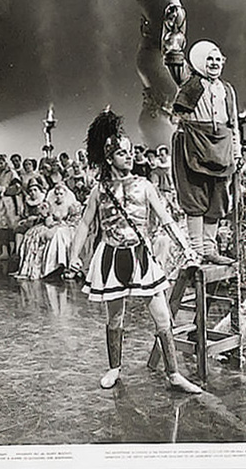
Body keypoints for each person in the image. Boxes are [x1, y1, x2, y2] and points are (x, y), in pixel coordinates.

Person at [67, 108, 202, 394]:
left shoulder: (145, 186)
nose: (129, 157)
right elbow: (85, 224)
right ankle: (114, 368)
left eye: (130, 152)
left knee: (163, 318)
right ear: (109, 158)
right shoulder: (99, 190)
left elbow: (166, 220)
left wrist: (187, 248)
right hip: (111, 256)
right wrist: (73, 255)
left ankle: (174, 374)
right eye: (122, 153)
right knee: (114, 318)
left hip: (141, 256)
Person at [171, 40, 241, 265]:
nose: (214, 63)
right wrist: (174, 41)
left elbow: (233, 123)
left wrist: (236, 152)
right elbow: (174, 61)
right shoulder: (190, 82)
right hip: (194, 144)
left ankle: (210, 249)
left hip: (221, 146)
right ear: (200, 61)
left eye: (218, 59)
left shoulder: (227, 89)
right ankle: (196, 251)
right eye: (209, 59)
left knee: (217, 198)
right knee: (195, 196)